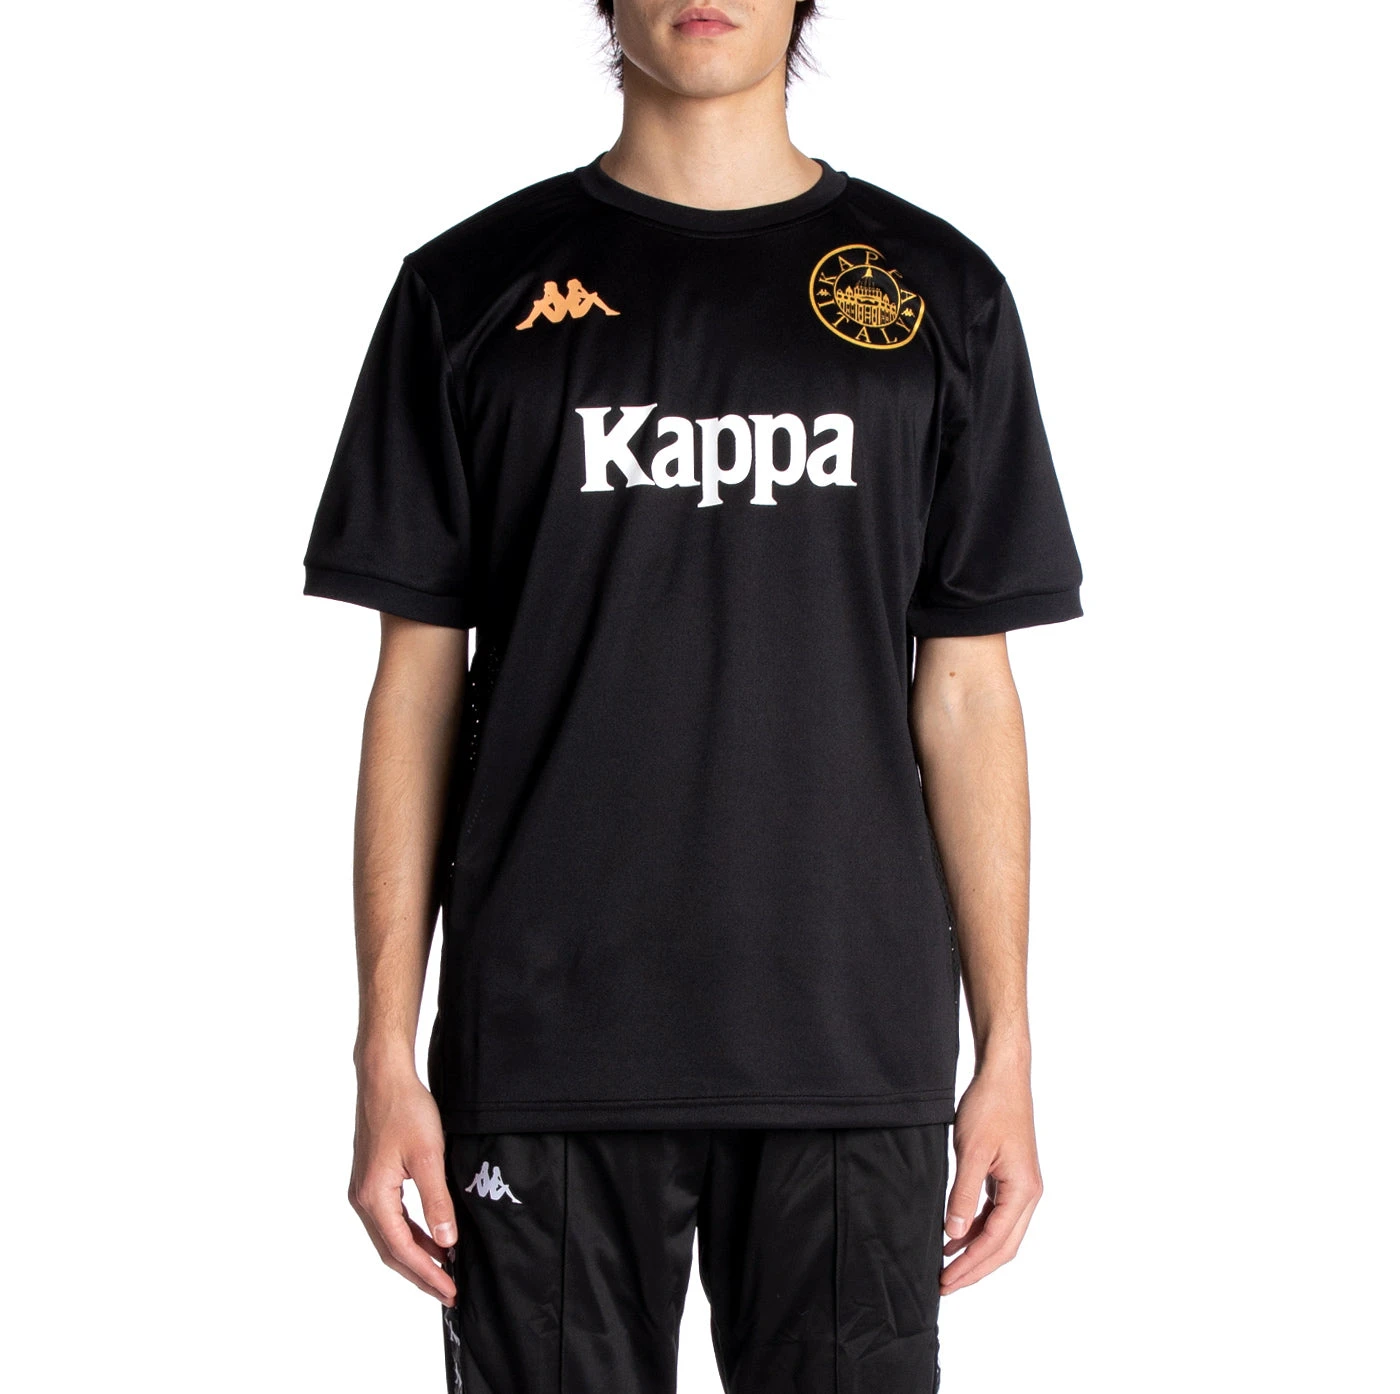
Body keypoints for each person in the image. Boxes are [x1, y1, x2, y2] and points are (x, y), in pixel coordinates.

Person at [301, 2, 1083, 1389]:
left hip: (849, 1045)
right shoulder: (467, 291)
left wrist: (1008, 1047)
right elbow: (413, 690)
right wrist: (382, 1050)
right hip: (543, 1046)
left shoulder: (938, 294)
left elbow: (968, 693)